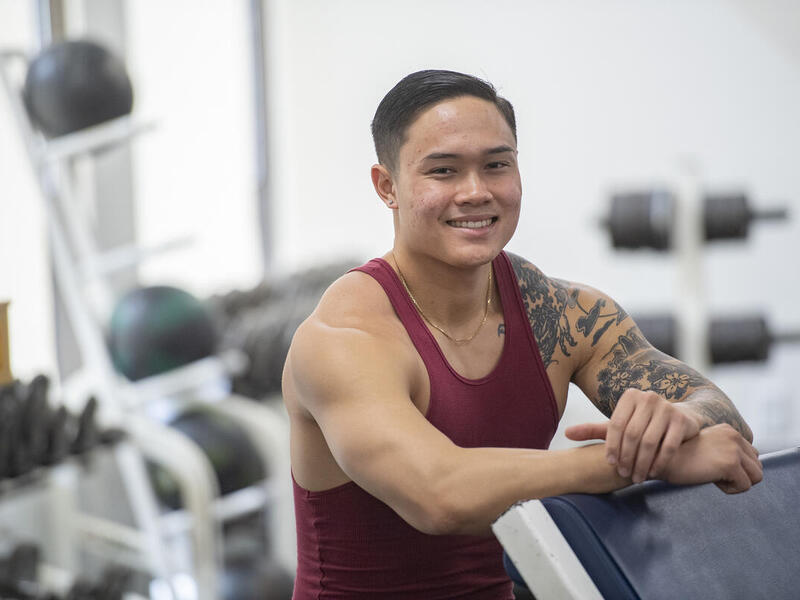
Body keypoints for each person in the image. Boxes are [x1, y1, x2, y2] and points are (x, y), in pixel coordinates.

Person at [281, 69, 762, 600]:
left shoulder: (562, 313)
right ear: (387, 186)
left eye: (496, 165)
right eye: (443, 171)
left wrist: (680, 422)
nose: (475, 192)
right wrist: (637, 461)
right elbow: (439, 495)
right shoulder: (343, 337)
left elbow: (724, 420)